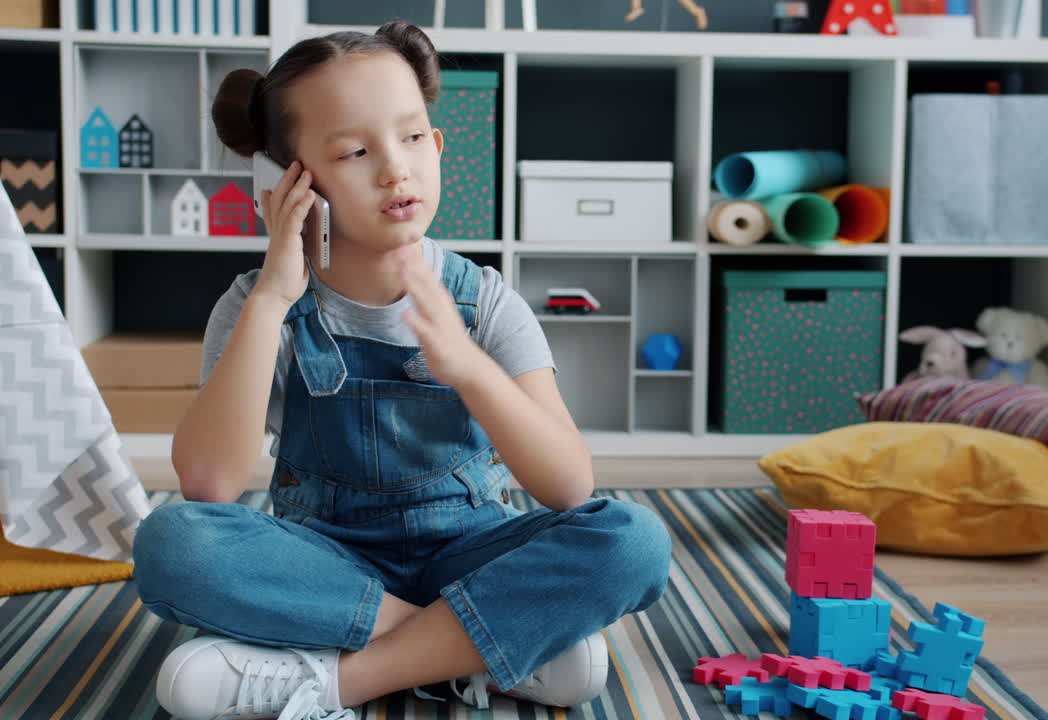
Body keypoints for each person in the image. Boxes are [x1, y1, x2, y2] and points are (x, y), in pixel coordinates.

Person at [130, 20, 672, 720]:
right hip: (325, 559)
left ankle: (339, 678)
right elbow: (209, 484)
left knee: (634, 542)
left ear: (438, 145)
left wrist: (470, 369)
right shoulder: (254, 305)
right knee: (171, 542)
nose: (396, 168)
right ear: (295, 182)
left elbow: (570, 484)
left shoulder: (485, 303)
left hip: (469, 548)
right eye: (355, 150)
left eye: (414, 137)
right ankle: (480, 647)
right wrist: (272, 296)